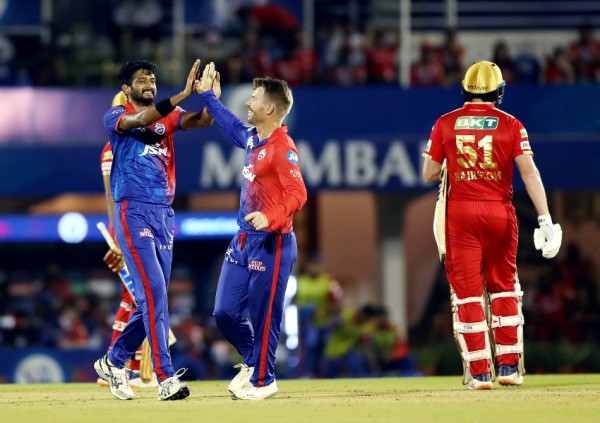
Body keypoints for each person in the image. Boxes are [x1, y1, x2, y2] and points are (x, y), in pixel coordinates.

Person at [421, 60, 562, 390]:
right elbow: (529, 174)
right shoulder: (512, 124)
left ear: (465, 89)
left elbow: (429, 174)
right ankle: (509, 367)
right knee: (504, 287)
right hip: (499, 212)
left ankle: (480, 373)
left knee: (468, 294)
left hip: (460, 215)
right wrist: (545, 219)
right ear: (498, 91)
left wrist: (455, 166)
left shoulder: (445, 123)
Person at [94, 58, 220, 401]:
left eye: (152, 78)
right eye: (141, 79)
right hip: (132, 211)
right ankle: (166, 378)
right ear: (126, 89)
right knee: (153, 292)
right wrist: (182, 94)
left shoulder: (170, 116)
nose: (149, 83)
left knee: (156, 295)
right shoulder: (115, 116)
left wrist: (209, 96)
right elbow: (142, 119)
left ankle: (113, 362)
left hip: (163, 214)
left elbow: (203, 120)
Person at [196, 63, 307, 400]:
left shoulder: (282, 148)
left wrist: (270, 216)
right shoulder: (253, 139)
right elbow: (231, 125)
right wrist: (208, 97)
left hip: (272, 242)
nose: (248, 102)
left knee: (263, 316)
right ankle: (252, 361)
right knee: (224, 313)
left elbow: (298, 194)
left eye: (254, 97)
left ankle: (264, 380)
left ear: (269, 108)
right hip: (243, 240)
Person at [97, 91, 157, 389]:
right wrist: (117, 236)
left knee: (134, 296)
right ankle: (120, 365)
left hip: (137, 224)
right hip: (124, 227)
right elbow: (112, 194)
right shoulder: (113, 149)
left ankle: (124, 367)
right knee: (137, 295)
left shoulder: (133, 143)